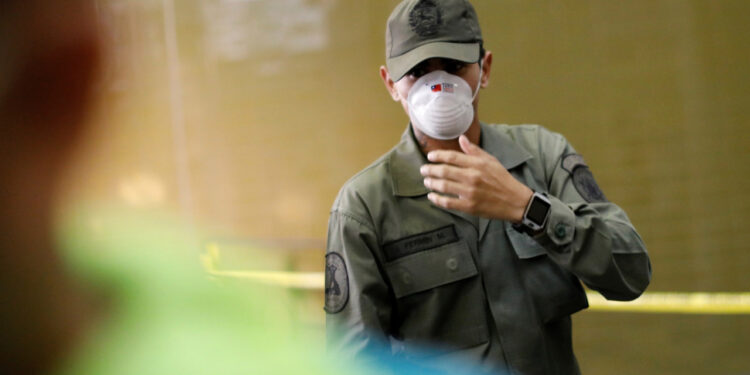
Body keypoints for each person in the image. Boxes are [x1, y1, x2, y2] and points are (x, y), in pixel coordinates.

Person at [324, 0, 652, 374]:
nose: (438, 88)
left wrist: (529, 208)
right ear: (391, 85)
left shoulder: (543, 156)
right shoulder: (364, 207)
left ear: (485, 69)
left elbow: (632, 274)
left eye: (453, 67)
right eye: (417, 72)